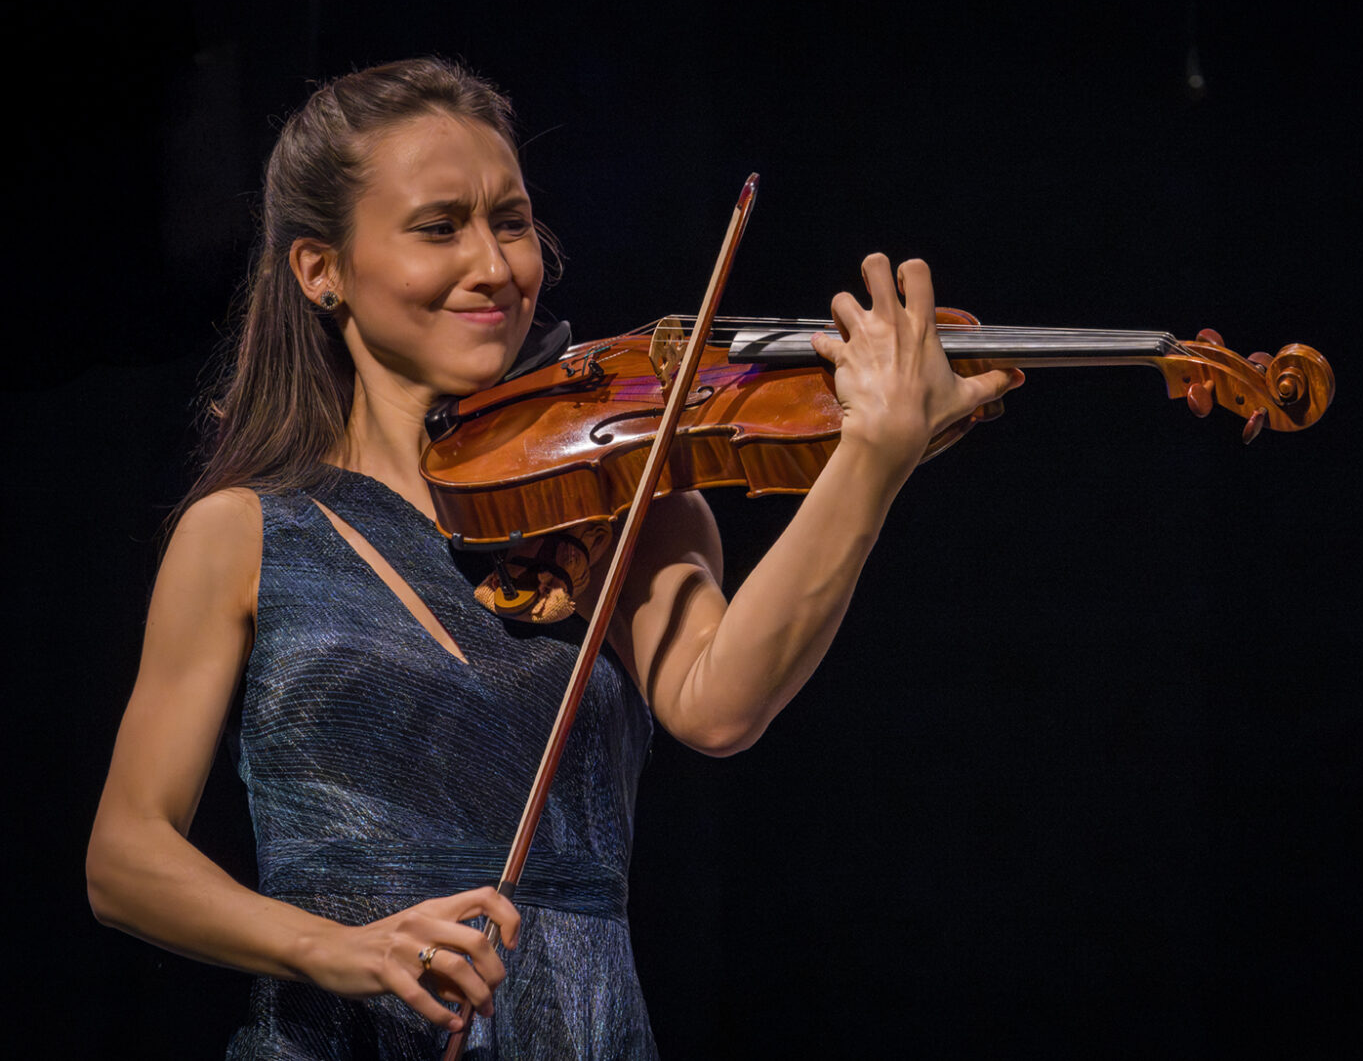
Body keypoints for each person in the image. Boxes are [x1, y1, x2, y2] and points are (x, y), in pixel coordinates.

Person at [85, 56, 1020, 1059]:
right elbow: (126, 857)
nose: (494, 265)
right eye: (439, 227)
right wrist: (339, 946)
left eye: (512, 221)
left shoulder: (621, 499)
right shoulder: (245, 529)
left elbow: (719, 704)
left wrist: (870, 461)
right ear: (322, 270)